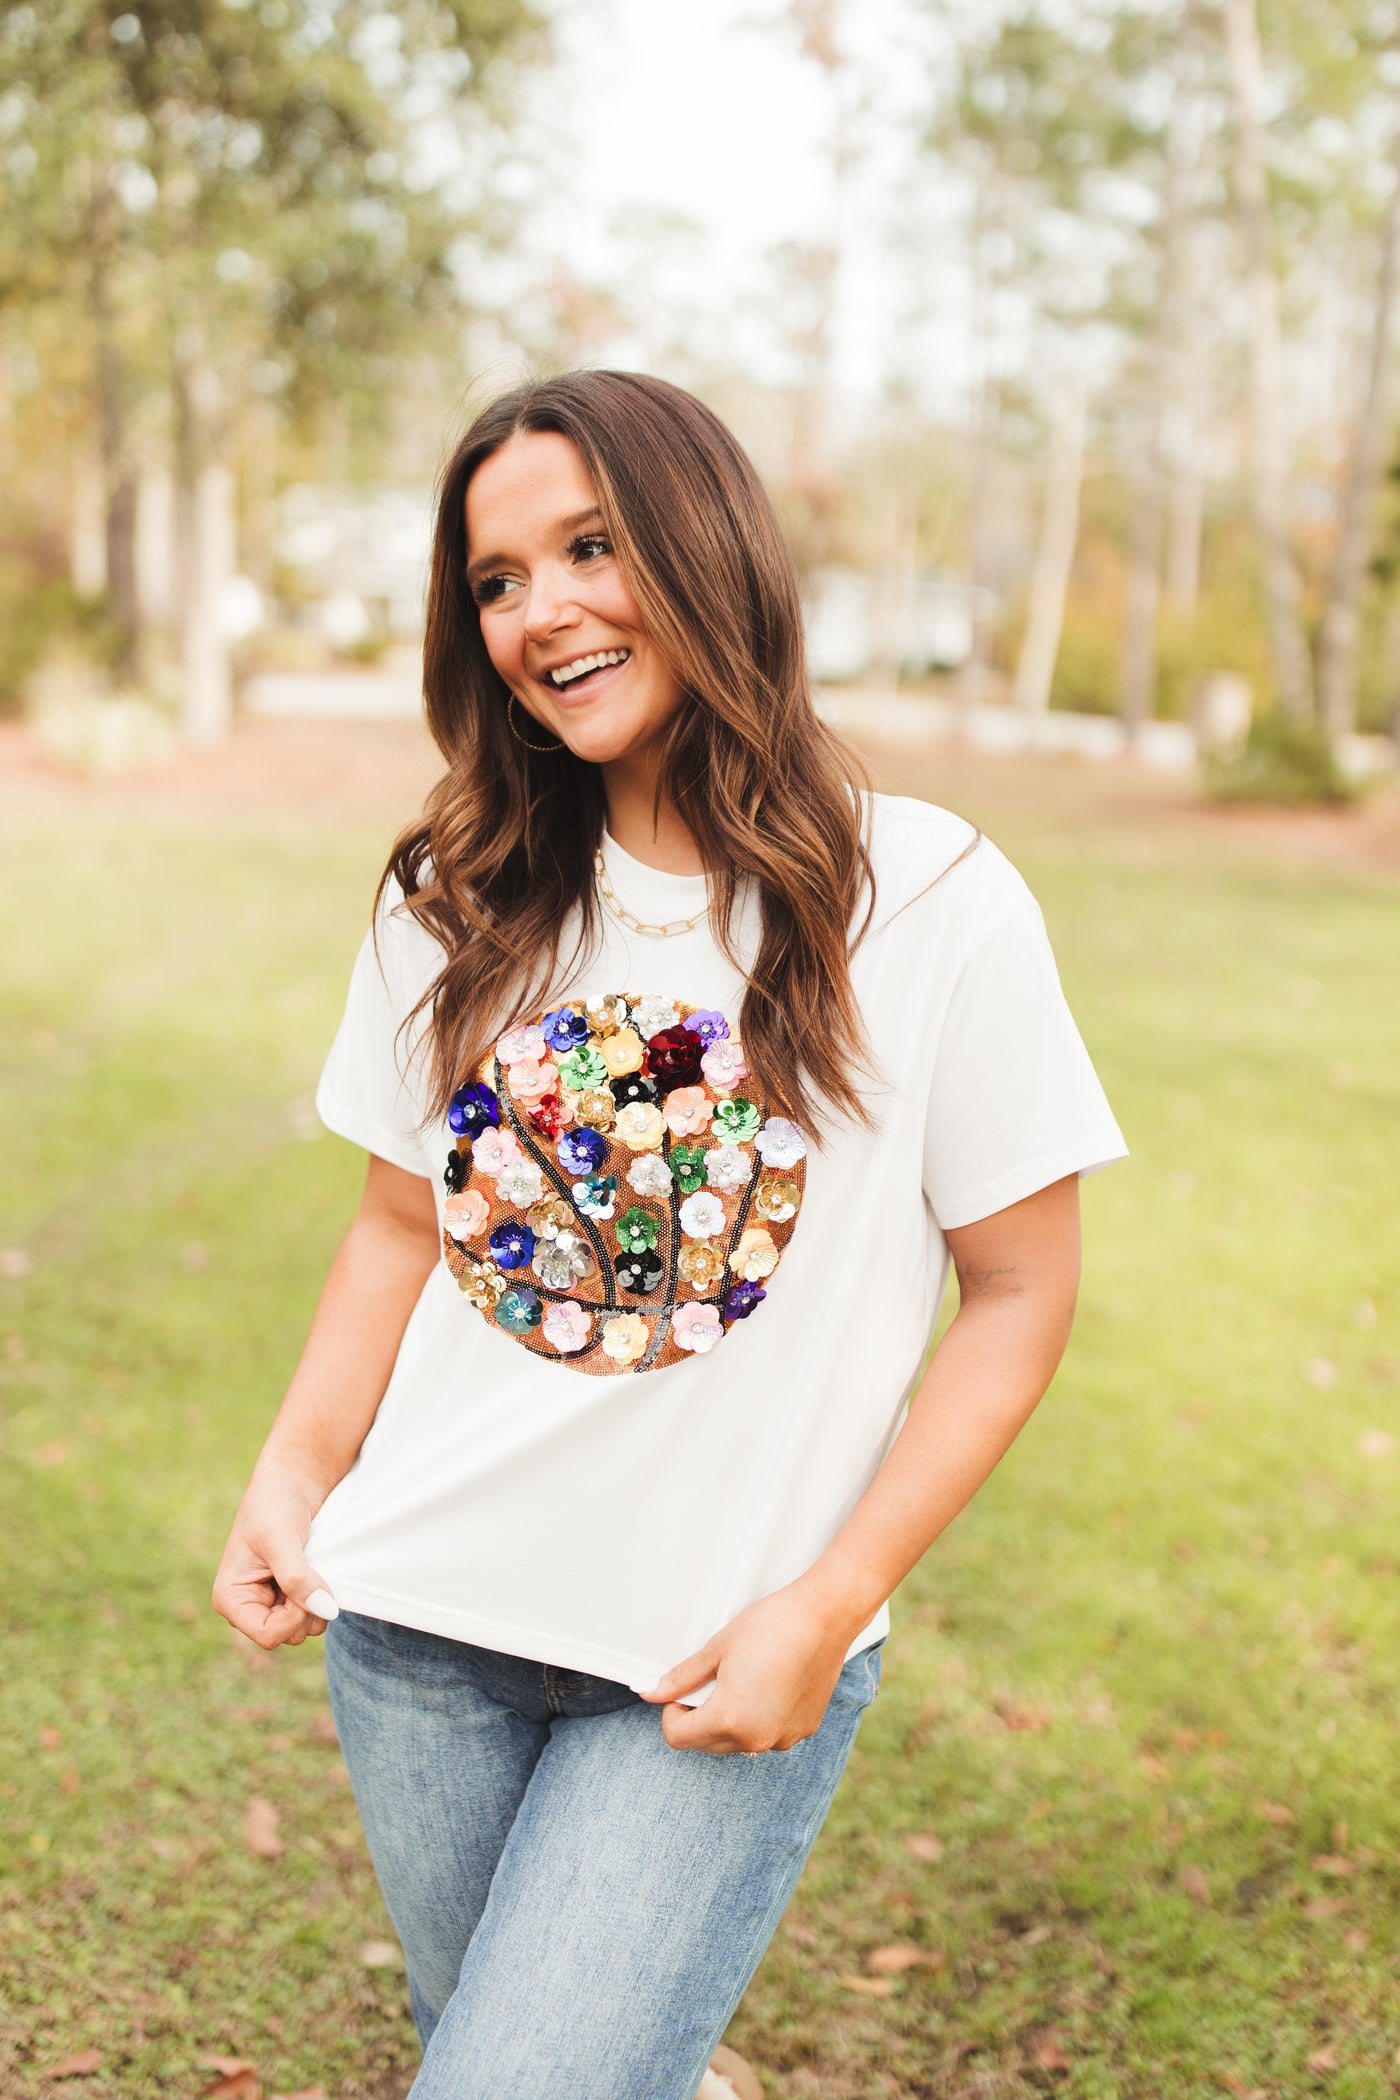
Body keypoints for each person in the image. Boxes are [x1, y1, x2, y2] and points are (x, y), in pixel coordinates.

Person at [212, 369, 1126, 2100]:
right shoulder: (457, 898)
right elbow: (399, 1226)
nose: (541, 609)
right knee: (512, 2054)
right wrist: (293, 1469)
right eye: (495, 579)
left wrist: (834, 1601)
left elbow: (1017, 1294)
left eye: (590, 546)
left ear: (709, 549)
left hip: (708, 1661)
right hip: (420, 1630)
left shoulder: (924, 900)